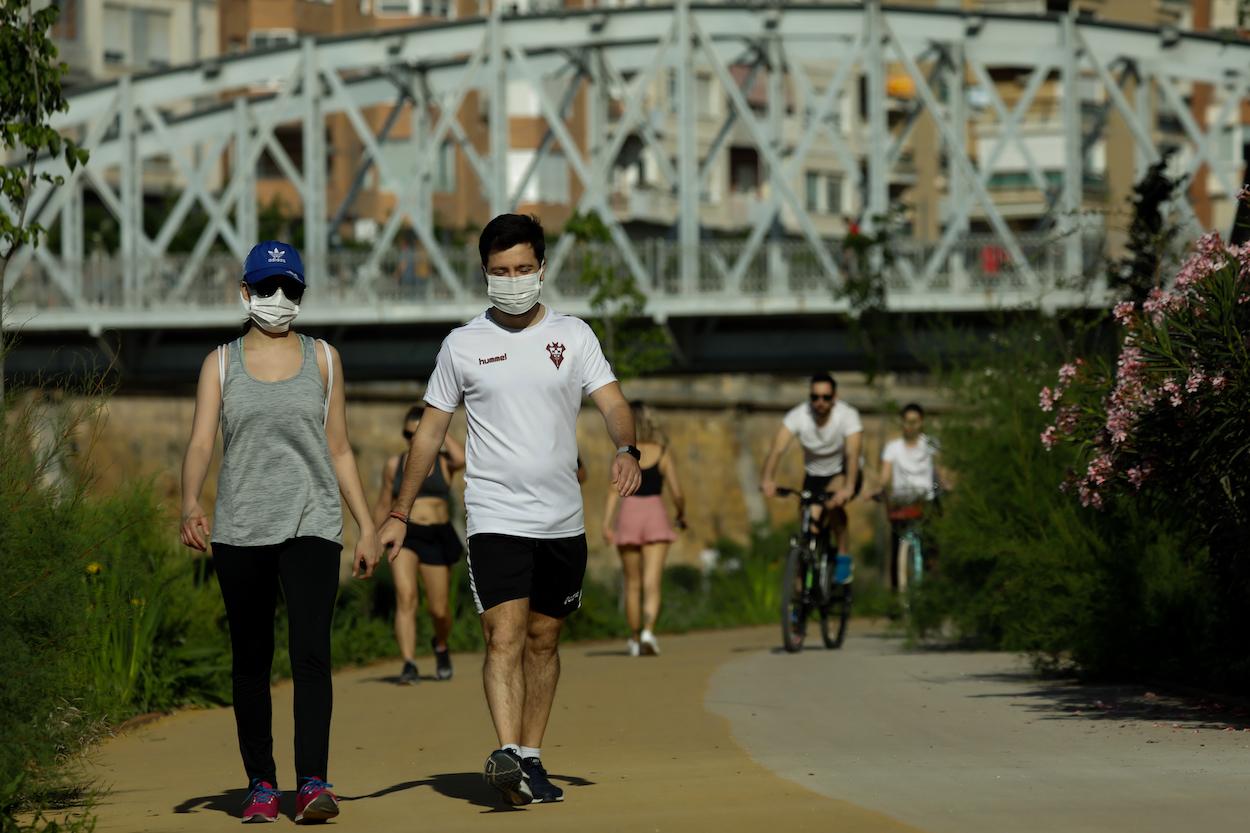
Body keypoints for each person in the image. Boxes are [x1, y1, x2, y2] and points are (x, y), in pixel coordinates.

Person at [377, 213, 641, 807]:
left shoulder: (574, 336)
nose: (513, 280)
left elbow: (614, 402)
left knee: (544, 641)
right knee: (504, 635)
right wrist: (398, 510)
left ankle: (532, 756)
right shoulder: (463, 345)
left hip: (561, 520)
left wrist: (626, 448)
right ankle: (508, 754)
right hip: (495, 516)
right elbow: (427, 434)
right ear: (484, 274)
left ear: (542, 269)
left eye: (523, 269)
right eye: (500, 272)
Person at [179, 240, 379, 824]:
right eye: (266, 288)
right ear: (245, 293)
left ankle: (313, 782)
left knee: (312, 653)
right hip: (240, 530)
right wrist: (191, 500)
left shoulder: (324, 358)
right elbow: (199, 441)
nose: (278, 299)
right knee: (252, 660)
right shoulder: (219, 363)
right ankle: (261, 783)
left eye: (289, 289)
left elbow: (339, 448)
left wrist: (366, 524)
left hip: (312, 523)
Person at [372, 405, 466, 684]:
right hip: (407, 534)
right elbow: (383, 504)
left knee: (439, 609)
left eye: (417, 433)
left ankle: (440, 644)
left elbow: (462, 458)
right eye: (407, 433)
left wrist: (437, 428)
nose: (412, 439)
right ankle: (409, 662)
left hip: (437, 535)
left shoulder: (444, 463)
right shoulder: (395, 464)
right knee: (406, 595)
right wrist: (375, 539)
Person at [760, 372, 863, 584]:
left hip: (842, 472)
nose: (820, 403)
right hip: (814, 475)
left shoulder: (847, 416)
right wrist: (767, 478)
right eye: (815, 397)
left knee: (832, 505)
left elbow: (853, 453)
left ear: (834, 398)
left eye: (826, 398)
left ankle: (843, 555)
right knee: (808, 527)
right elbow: (777, 449)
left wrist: (849, 486)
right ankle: (800, 588)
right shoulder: (798, 416)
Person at [602, 401, 685, 657]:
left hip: (629, 513)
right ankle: (649, 632)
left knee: (633, 583)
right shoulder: (663, 452)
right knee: (652, 582)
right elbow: (677, 493)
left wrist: (606, 523)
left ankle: (635, 638)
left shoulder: (623, 455)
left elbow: (613, 490)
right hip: (655, 514)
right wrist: (681, 513)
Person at [877, 402, 943, 591]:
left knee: (932, 547)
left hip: (926, 501)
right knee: (896, 549)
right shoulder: (893, 448)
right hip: (902, 502)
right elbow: (884, 476)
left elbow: (940, 471)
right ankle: (896, 600)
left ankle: (931, 588)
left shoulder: (930, 444)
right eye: (906, 422)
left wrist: (944, 484)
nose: (910, 426)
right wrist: (878, 489)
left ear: (921, 422)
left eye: (914, 422)